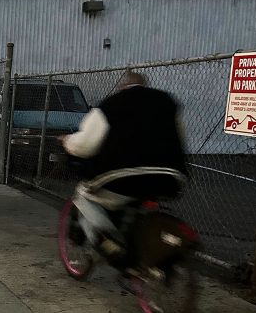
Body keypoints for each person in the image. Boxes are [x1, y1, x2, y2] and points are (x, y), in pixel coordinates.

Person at [62, 71, 187, 250]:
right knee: (141, 202)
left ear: (123, 85)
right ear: (145, 84)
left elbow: (85, 145)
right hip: (169, 177)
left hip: (121, 178)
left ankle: (108, 245)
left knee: (84, 193)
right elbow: (180, 138)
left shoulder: (111, 104)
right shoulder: (168, 102)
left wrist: (68, 142)